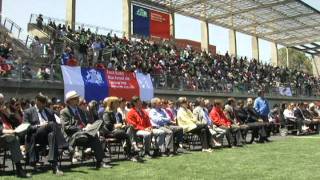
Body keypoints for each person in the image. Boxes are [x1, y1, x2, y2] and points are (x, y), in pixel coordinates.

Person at [60, 91, 110, 169]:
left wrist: (88, 126)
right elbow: (66, 127)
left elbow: (85, 123)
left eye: (77, 98)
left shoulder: (80, 111)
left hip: (85, 133)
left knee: (99, 122)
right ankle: (100, 162)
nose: (77, 99)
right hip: (73, 135)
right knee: (94, 136)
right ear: (69, 101)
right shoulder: (64, 112)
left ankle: (99, 161)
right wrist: (81, 128)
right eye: (75, 98)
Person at [23, 93, 66, 176]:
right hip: (35, 134)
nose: (44, 104)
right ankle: (64, 144)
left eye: (45, 102)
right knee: (51, 124)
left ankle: (54, 165)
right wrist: (39, 126)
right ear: (37, 101)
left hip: (47, 136)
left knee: (52, 134)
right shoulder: (28, 112)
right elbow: (26, 127)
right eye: (42, 102)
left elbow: (55, 125)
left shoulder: (49, 111)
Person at [100, 97, 141, 162]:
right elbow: (107, 125)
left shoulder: (118, 114)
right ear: (112, 104)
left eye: (118, 102)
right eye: (117, 102)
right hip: (111, 131)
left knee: (131, 127)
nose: (118, 104)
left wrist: (123, 125)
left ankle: (129, 148)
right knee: (126, 135)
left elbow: (121, 123)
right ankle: (131, 150)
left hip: (121, 130)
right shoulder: (107, 113)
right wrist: (116, 125)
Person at [0, 94, 31, 178]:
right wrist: (10, 131)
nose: (2, 105)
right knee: (13, 138)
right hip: (3, 136)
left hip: (8, 137)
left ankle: (20, 167)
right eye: (0, 103)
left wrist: (7, 114)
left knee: (16, 137)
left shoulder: (4, 113)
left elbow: (16, 123)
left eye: (3, 102)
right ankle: (20, 169)